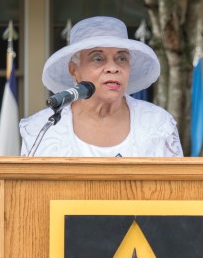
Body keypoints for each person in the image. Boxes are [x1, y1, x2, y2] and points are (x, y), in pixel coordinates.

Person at [19, 16, 183, 157]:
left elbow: (176, 190)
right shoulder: (41, 127)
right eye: (98, 58)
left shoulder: (157, 124)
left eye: (122, 58)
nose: (113, 67)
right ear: (74, 70)